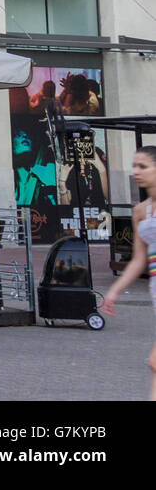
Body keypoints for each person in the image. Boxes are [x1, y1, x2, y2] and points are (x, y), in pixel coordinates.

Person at [101, 146, 156, 399]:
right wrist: (114, 291)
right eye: (134, 165)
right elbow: (138, 260)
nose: (135, 172)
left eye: (143, 166)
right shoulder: (141, 211)